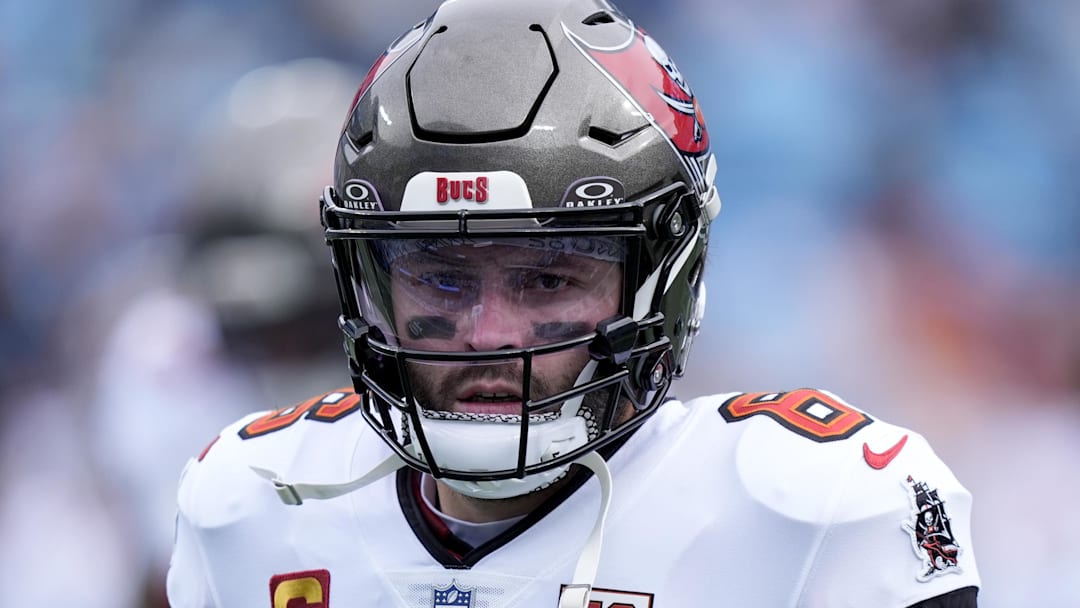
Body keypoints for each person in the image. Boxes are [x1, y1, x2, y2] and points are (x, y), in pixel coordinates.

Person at [167, 1, 981, 606]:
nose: (488, 335)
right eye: (442, 277)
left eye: (548, 279)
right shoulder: (249, 505)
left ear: (665, 275)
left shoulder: (808, 510)